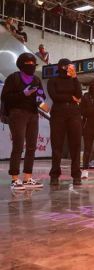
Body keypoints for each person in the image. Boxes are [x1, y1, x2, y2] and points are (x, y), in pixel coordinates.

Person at [0, 53, 46, 190]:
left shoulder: (37, 80)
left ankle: (27, 177)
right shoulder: (13, 78)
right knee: (18, 146)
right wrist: (23, 94)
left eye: (33, 64)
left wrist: (40, 99)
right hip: (17, 114)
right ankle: (15, 178)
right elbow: (5, 97)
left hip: (33, 114)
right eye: (28, 64)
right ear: (21, 64)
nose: (31, 66)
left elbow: (42, 96)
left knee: (31, 147)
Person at [48, 59, 83, 186]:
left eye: (70, 66)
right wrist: (70, 97)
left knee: (76, 144)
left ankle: (76, 175)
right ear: (61, 67)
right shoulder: (53, 81)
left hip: (74, 114)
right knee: (56, 145)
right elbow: (54, 96)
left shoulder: (73, 80)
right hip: (58, 114)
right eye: (67, 66)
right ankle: (54, 175)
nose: (69, 68)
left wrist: (75, 78)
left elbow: (79, 95)